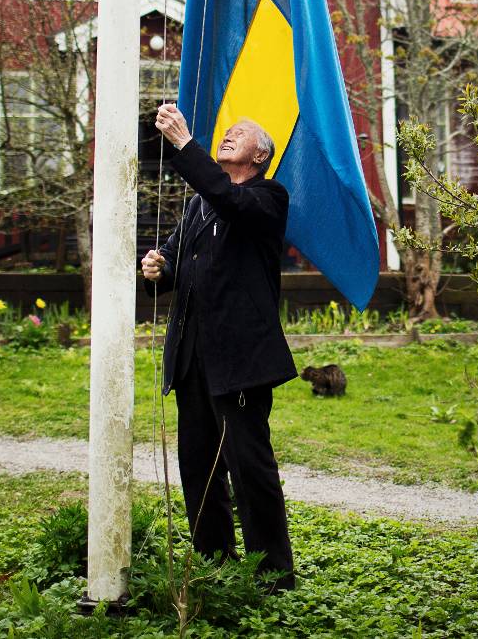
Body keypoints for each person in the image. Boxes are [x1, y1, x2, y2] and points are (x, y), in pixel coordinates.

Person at [140, 102, 297, 590]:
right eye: (227, 130)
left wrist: (187, 146)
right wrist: (158, 267)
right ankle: (215, 563)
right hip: (193, 358)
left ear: (259, 155)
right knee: (198, 466)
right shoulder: (197, 205)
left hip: (241, 360)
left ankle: (273, 576)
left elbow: (229, 201)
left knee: (249, 469)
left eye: (240, 133)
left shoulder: (268, 198)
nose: (228, 134)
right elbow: (177, 257)